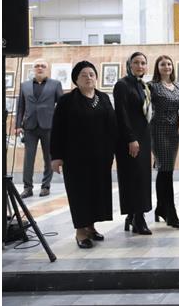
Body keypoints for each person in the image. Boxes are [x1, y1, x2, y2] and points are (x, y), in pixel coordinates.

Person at [50, 61, 117, 249]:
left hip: (101, 156)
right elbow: (57, 130)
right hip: (75, 158)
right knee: (79, 194)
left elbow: (112, 125)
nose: (89, 77)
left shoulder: (103, 98)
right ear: (76, 79)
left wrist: (113, 150)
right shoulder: (67, 101)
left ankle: (91, 227)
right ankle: (80, 231)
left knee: (97, 192)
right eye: (84, 75)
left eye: (92, 74)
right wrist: (56, 156)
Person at [114, 52, 153, 235]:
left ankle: (132, 215)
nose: (140, 66)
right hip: (130, 138)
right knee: (134, 179)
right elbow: (121, 114)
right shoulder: (122, 85)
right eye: (136, 62)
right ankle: (138, 219)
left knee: (142, 178)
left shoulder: (143, 85)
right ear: (129, 65)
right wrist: (131, 138)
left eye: (143, 63)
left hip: (143, 137)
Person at [15, 59, 63, 198]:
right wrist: (18, 125)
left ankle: (45, 186)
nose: (40, 68)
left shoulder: (55, 84)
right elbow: (20, 107)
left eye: (43, 66)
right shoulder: (24, 85)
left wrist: (59, 125)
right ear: (33, 69)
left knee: (48, 158)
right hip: (29, 127)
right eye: (37, 66)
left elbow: (61, 107)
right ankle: (27, 188)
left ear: (47, 69)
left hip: (49, 127)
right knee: (28, 159)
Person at [149, 55, 179, 229]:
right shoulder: (152, 86)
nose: (166, 67)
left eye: (169, 64)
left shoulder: (178, 86)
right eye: (162, 64)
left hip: (173, 130)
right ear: (157, 67)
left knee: (167, 171)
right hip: (158, 129)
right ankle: (170, 212)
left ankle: (161, 208)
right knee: (165, 169)